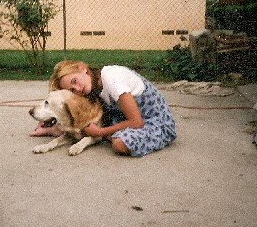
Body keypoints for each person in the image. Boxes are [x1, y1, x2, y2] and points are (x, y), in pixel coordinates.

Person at [29, 60, 176, 157]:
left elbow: (137, 122)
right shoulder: (93, 85)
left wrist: (100, 132)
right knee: (95, 124)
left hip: (154, 121)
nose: (78, 89)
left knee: (119, 143)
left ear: (82, 69)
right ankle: (56, 129)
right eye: (72, 90)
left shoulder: (112, 78)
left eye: (74, 81)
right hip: (123, 116)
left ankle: (112, 135)